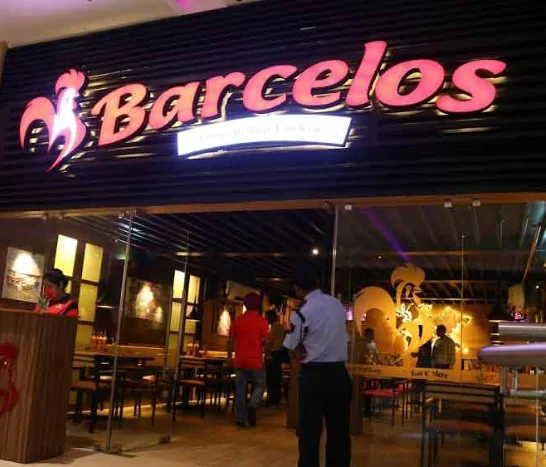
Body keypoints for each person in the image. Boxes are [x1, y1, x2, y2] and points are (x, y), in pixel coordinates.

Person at [284, 265, 351, 467]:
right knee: (339, 433)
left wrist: (301, 353)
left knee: (309, 433)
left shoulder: (301, 312)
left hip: (314, 376)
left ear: (297, 288)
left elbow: (291, 347)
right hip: (339, 374)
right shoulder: (337, 305)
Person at [227, 292, 269, 428]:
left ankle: (240, 419)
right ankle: (252, 404)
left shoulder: (238, 320)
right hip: (255, 361)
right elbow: (266, 340)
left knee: (240, 389)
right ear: (258, 305)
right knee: (261, 384)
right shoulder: (261, 321)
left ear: (245, 304)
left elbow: (231, 340)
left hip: (239, 361)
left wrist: (229, 356)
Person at [265, 308, 286, 407]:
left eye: (267, 317)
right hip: (279, 353)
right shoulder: (280, 326)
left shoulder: (275, 326)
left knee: (272, 377)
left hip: (274, 353)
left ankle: (273, 399)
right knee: (277, 376)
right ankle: (275, 398)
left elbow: (270, 341)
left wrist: (266, 350)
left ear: (271, 317)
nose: (266, 319)